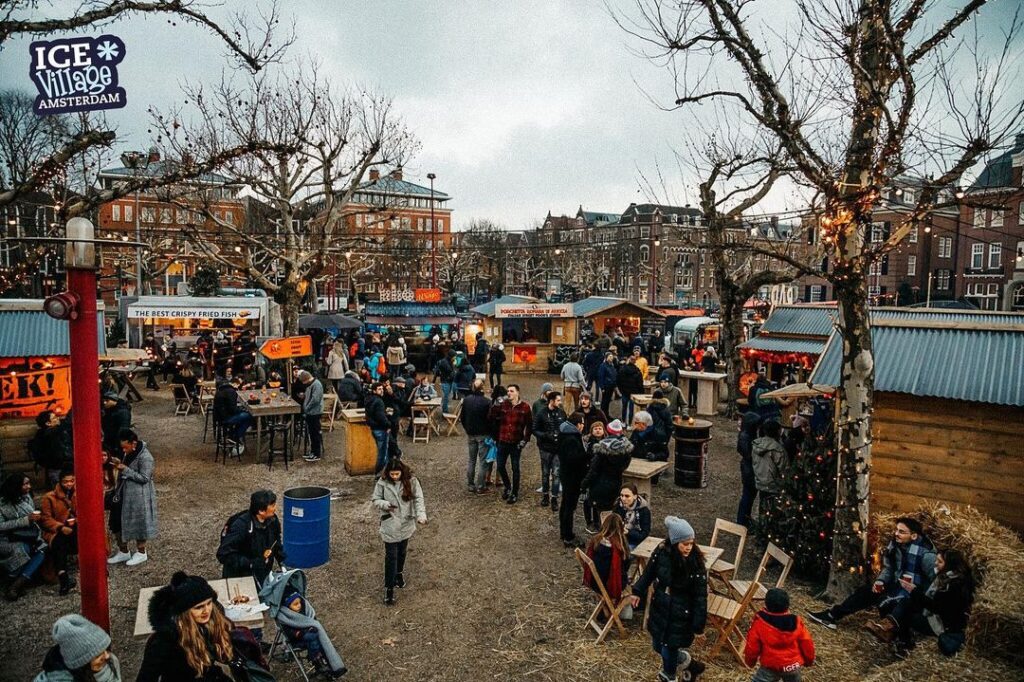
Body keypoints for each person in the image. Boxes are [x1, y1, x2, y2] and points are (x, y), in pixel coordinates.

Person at [808, 517, 937, 630]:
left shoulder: (927, 555)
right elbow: (889, 568)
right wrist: (880, 581)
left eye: (902, 532)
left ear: (914, 536)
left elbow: (935, 583)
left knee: (888, 606)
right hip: (897, 586)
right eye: (896, 530)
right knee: (866, 591)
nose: (896, 534)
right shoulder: (894, 546)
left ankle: (896, 636)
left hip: (914, 596)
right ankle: (832, 615)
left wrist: (918, 594)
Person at [630, 516, 708, 682]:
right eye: (684, 544)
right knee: (658, 645)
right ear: (674, 542)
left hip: (681, 611)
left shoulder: (696, 564)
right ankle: (689, 664)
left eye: (691, 543)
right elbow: (649, 572)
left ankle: (669, 676)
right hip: (661, 605)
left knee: (668, 648)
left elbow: (700, 598)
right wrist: (637, 591)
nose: (688, 547)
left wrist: (698, 627)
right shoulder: (662, 552)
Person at [138, 572, 237, 681]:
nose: (206, 611)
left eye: (209, 603)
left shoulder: (212, 624)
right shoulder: (164, 641)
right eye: (198, 607)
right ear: (184, 611)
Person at [879, 548, 974, 658]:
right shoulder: (947, 577)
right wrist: (914, 590)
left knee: (906, 615)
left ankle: (904, 645)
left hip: (942, 624)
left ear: (950, 565)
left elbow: (935, 607)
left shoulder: (953, 585)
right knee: (905, 602)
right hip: (937, 614)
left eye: (940, 561)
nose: (935, 563)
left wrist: (913, 591)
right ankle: (889, 627)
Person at [371, 458, 427, 606]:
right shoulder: (382, 482)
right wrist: (384, 504)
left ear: (402, 472)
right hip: (390, 522)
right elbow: (375, 499)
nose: (395, 477)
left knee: (402, 551)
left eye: (397, 474)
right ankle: (389, 589)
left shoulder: (412, 481)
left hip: (406, 522)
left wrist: (421, 515)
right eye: (392, 474)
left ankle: (399, 574)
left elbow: (418, 499)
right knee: (391, 556)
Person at [106, 429, 157, 567]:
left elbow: (145, 478)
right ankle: (123, 550)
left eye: (125, 447)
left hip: (139, 496)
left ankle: (141, 552)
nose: (123, 450)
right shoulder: (128, 453)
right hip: (123, 493)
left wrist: (125, 470)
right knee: (116, 521)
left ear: (133, 443)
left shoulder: (146, 457)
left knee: (139, 522)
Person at [744, 588, 816, 682]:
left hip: (771, 666)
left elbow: (752, 646)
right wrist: (809, 660)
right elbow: (807, 643)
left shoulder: (760, 623)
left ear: (766, 604)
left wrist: (750, 662)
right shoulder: (796, 621)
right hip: (792, 666)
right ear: (787, 605)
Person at [217, 490, 286, 587]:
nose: (275, 508)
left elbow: (276, 541)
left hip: (262, 574)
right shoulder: (240, 526)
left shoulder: (272, 520)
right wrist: (251, 564)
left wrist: (282, 561)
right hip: (240, 579)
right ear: (261, 511)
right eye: (273, 505)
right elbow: (223, 555)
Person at [34, 614, 122, 682]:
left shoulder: (112, 661)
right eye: (98, 656)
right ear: (82, 664)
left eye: (105, 650)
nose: (107, 656)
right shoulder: (60, 679)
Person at [279, 591, 348, 678]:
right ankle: (317, 662)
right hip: (298, 640)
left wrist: (311, 628)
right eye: (295, 604)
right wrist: (302, 632)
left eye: (299, 602)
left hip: (310, 636)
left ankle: (329, 665)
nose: (299, 605)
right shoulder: (287, 618)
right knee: (312, 637)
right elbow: (290, 633)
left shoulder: (305, 611)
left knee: (317, 638)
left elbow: (312, 622)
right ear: (288, 606)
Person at [0, 473, 45, 601]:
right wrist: (25, 520)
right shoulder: (2, 503)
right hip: (6, 538)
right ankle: (11, 578)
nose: (29, 486)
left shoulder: (26, 498)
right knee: (23, 549)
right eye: (25, 484)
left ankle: (16, 585)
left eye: (29, 483)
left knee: (41, 550)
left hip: (28, 534)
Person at [580, 419, 633, 528]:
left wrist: (584, 484)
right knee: (611, 510)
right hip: (616, 484)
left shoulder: (601, 451)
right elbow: (625, 466)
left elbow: (593, 471)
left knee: (599, 511)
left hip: (600, 485)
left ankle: (600, 531)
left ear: (607, 432)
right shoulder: (626, 450)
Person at [488, 383, 533, 504]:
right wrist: (496, 405)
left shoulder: (525, 407)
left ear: (518, 392)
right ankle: (508, 486)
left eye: (512, 391)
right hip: (503, 441)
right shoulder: (503, 405)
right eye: (508, 391)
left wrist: (525, 439)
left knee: (515, 468)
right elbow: (492, 417)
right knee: (501, 466)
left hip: (516, 442)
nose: (509, 393)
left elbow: (530, 425)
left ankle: (514, 492)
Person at [39, 469, 78, 595]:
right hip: (57, 530)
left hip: (75, 526)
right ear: (60, 482)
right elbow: (45, 519)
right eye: (65, 481)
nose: (69, 484)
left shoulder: (78, 493)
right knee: (59, 543)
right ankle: (63, 577)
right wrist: (60, 527)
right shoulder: (49, 497)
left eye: (72, 481)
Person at [557, 413, 590, 547]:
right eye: (582, 423)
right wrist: (586, 456)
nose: (583, 426)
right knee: (569, 507)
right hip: (572, 477)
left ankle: (564, 532)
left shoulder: (566, 434)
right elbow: (574, 459)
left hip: (567, 475)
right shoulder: (571, 438)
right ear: (578, 424)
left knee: (566, 505)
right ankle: (568, 536)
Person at [583, 513, 631, 606]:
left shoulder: (596, 540)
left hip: (594, 582)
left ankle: (604, 609)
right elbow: (626, 566)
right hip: (609, 585)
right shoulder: (619, 547)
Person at [533, 390, 567, 510]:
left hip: (558, 449)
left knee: (557, 474)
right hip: (545, 449)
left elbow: (565, 427)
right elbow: (535, 429)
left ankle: (554, 498)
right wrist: (546, 435)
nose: (560, 402)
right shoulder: (541, 413)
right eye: (558, 400)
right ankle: (545, 496)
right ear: (552, 401)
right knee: (545, 473)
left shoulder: (562, 413)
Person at [751, 420, 787, 526]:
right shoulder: (778, 449)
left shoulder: (756, 445)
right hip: (774, 484)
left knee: (763, 508)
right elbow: (784, 469)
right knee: (774, 511)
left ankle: (762, 530)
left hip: (760, 481)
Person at [461, 379, 492, 494]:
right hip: (483, 434)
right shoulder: (487, 402)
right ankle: (480, 485)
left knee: (472, 460)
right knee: (483, 462)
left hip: (471, 434)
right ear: (482, 388)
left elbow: (462, 417)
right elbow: (490, 420)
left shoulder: (467, 400)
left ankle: (470, 484)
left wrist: (467, 429)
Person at [30, 410, 72, 487]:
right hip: (57, 469)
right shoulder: (51, 434)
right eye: (55, 418)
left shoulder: (56, 431)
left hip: (58, 468)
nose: (58, 418)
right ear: (48, 423)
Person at [213, 376, 252, 457]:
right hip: (226, 418)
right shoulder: (231, 391)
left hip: (219, 417)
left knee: (243, 417)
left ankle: (232, 434)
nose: (238, 387)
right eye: (238, 385)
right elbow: (233, 410)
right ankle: (235, 436)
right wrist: (242, 410)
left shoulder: (221, 389)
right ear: (235, 384)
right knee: (249, 416)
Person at [736, 411, 762, 527]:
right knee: (748, 495)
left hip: (748, 468)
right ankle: (742, 520)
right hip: (749, 469)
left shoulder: (745, 435)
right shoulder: (746, 437)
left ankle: (745, 518)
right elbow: (748, 454)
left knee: (748, 495)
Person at [581, 420, 607, 532]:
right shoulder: (587, 443)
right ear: (591, 431)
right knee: (588, 500)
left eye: (600, 428)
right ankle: (589, 521)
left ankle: (597, 521)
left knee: (598, 500)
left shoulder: (607, 443)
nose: (597, 430)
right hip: (589, 473)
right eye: (595, 428)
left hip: (601, 475)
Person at [364, 382, 392, 475]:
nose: (382, 391)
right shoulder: (379, 401)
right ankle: (380, 473)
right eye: (379, 389)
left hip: (374, 428)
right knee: (382, 453)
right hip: (380, 429)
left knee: (382, 451)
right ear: (374, 390)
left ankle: (384, 472)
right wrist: (388, 425)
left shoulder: (368, 399)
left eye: (382, 389)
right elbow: (381, 417)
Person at [613, 483, 651, 549]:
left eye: (627, 496)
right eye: (621, 495)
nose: (623, 498)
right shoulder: (618, 505)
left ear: (635, 496)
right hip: (618, 538)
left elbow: (644, 534)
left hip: (634, 541)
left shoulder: (643, 510)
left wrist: (628, 532)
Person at [298, 370, 325, 462]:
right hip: (310, 412)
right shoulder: (311, 385)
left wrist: (307, 408)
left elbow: (315, 399)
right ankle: (313, 452)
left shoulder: (316, 385)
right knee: (312, 433)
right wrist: (304, 395)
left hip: (315, 412)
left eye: (303, 381)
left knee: (315, 433)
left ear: (306, 379)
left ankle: (316, 454)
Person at [100, 392, 131, 456]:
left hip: (114, 443)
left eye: (107, 400)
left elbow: (123, 430)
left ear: (114, 400)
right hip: (109, 440)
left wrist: (118, 445)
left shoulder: (123, 413)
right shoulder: (109, 410)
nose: (105, 403)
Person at [616, 355, 644, 424]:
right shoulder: (637, 371)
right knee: (631, 409)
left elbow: (618, 381)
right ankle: (629, 423)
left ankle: (623, 422)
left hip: (624, 392)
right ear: (635, 362)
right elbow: (640, 384)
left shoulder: (622, 369)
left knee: (624, 408)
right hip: (633, 393)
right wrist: (640, 392)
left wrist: (621, 390)